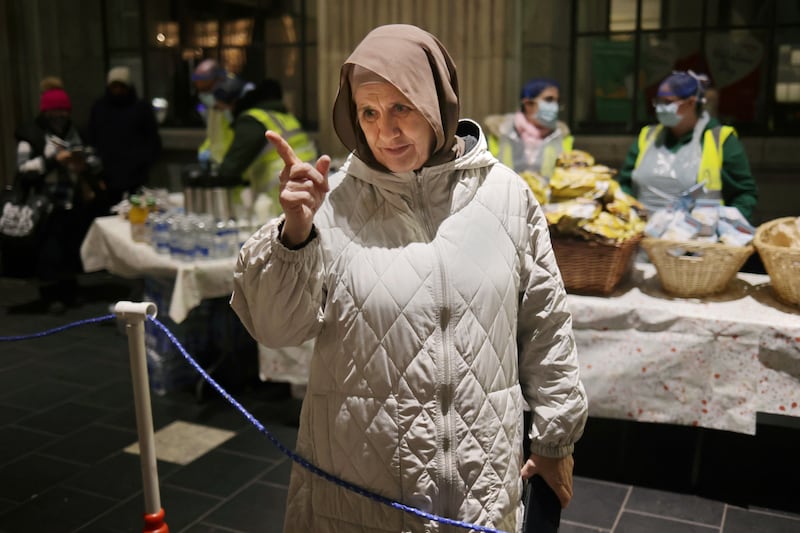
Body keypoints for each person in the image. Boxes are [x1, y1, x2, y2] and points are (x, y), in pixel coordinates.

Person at [230, 24, 588, 532]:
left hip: (479, 484)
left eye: (402, 107)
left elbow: (546, 324)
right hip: (361, 489)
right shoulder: (330, 206)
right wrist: (294, 234)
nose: (386, 131)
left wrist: (555, 440)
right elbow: (275, 329)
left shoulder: (506, 196)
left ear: (437, 102)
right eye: (368, 113)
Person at [616, 70, 758, 223]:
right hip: (645, 239)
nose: (660, 108)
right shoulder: (648, 137)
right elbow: (624, 186)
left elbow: (744, 194)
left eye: (668, 102)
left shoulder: (721, 140)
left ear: (691, 102)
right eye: (658, 101)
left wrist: (729, 229)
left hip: (698, 242)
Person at [9, 86, 104, 313]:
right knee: (48, 251)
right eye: (54, 112)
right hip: (45, 203)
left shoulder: (75, 132)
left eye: (63, 111)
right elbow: (23, 169)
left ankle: (70, 289)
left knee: (71, 246)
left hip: (73, 199)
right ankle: (51, 295)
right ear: (45, 113)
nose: (59, 116)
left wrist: (85, 164)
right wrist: (53, 161)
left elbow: (94, 158)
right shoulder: (31, 135)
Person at [213, 77, 317, 221]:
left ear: (237, 102)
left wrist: (215, 175)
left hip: (278, 203)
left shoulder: (253, 121)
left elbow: (230, 169)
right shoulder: (284, 118)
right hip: (309, 195)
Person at [87, 66, 162, 208]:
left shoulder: (140, 108)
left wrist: (143, 163)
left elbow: (152, 139)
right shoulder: (100, 108)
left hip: (136, 174)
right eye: (114, 86)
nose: (118, 91)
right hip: (107, 174)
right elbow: (93, 137)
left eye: (121, 86)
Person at [484, 77, 573, 178]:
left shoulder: (563, 138)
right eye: (549, 100)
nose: (555, 106)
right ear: (528, 103)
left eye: (557, 101)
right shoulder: (500, 133)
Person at [192, 59, 234, 166]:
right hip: (218, 162)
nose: (197, 84)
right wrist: (204, 150)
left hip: (232, 163)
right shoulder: (212, 103)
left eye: (201, 80)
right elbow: (213, 135)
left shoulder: (232, 94)